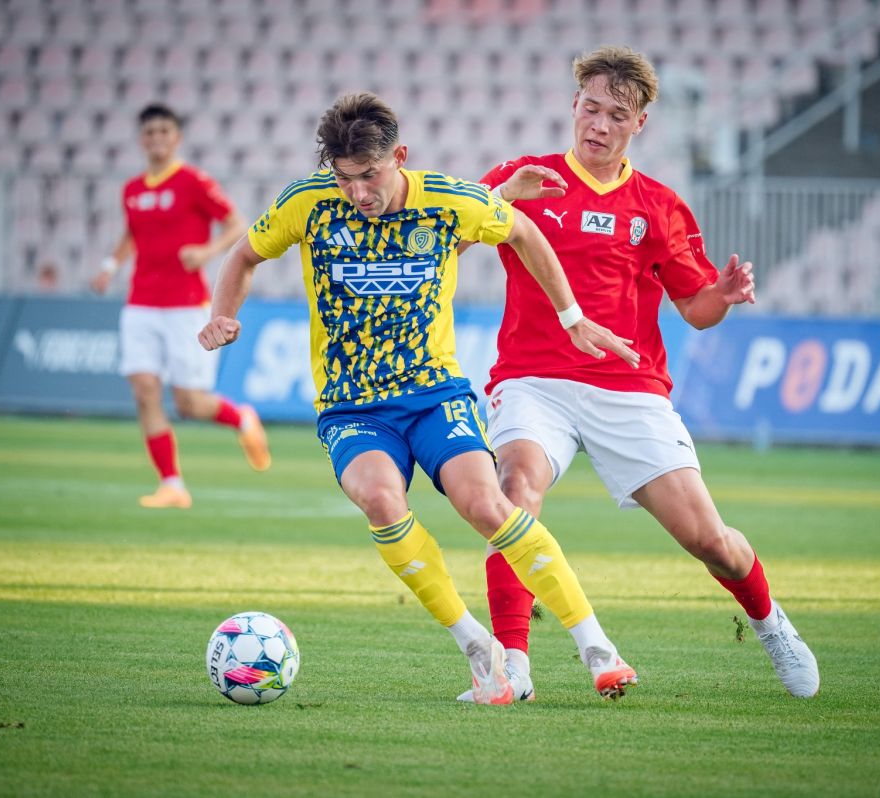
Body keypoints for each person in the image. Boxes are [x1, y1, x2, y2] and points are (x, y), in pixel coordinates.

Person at [199, 92, 641, 703]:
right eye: (345, 178)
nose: (358, 193)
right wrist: (222, 314)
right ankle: (478, 649)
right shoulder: (307, 202)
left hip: (434, 394)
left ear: (399, 157)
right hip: (352, 406)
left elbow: (523, 231)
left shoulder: (449, 201)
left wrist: (572, 317)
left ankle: (597, 647)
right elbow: (244, 254)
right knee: (381, 500)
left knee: (486, 505)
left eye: (370, 175)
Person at [457, 46, 819, 702]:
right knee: (514, 490)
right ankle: (513, 663)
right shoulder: (523, 177)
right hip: (533, 379)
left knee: (711, 541)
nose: (598, 124)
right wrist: (501, 197)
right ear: (574, 105)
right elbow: (447, 241)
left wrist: (723, 296)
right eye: (590, 108)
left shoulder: (658, 206)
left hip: (628, 387)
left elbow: (695, 309)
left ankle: (772, 624)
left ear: (640, 124)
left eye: (616, 116)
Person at [91, 103, 270, 509]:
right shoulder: (132, 190)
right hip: (140, 303)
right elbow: (132, 235)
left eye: (164, 131)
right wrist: (109, 267)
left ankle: (242, 419)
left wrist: (207, 252)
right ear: (142, 139)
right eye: (150, 132)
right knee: (144, 390)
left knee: (189, 403)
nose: (157, 138)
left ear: (176, 138)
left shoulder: (193, 182)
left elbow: (237, 224)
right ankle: (172, 484)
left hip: (186, 304)